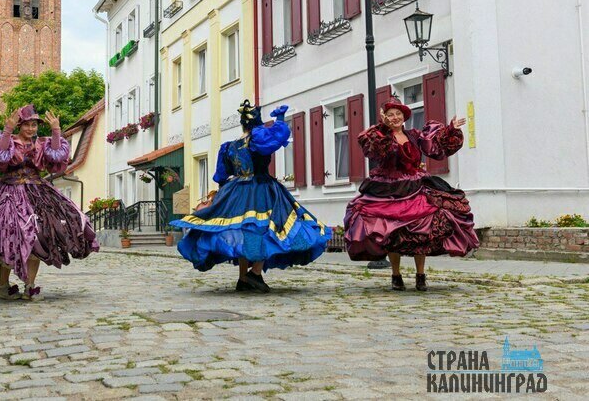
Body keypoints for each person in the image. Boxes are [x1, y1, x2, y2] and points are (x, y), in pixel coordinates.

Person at [169, 100, 331, 292]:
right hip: (261, 189)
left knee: (243, 230)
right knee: (265, 228)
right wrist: (279, 120)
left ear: (242, 124)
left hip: (235, 190)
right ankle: (254, 273)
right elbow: (276, 138)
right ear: (256, 125)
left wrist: (223, 195)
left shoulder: (229, 147)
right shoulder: (257, 141)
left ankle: (243, 278)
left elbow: (221, 174)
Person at [0, 104, 99, 300]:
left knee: (39, 234)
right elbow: (0, 155)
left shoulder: (42, 144)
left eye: (34, 125)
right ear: (19, 125)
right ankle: (3, 286)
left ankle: (30, 286)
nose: (31, 129)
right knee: (4, 234)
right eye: (27, 125)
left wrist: (56, 130)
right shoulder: (8, 142)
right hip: (8, 192)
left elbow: (57, 156)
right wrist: (7, 129)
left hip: (37, 192)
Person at [344, 98, 479, 291]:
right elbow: (373, 151)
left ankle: (420, 275)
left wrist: (451, 129)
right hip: (388, 189)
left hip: (416, 186)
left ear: (404, 116)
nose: (395, 118)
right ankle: (396, 275)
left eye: (398, 114)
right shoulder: (379, 136)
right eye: (390, 114)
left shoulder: (415, 135)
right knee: (390, 232)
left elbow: (435, 147)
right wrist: (382, 127)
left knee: (422, 232)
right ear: (385, 118)